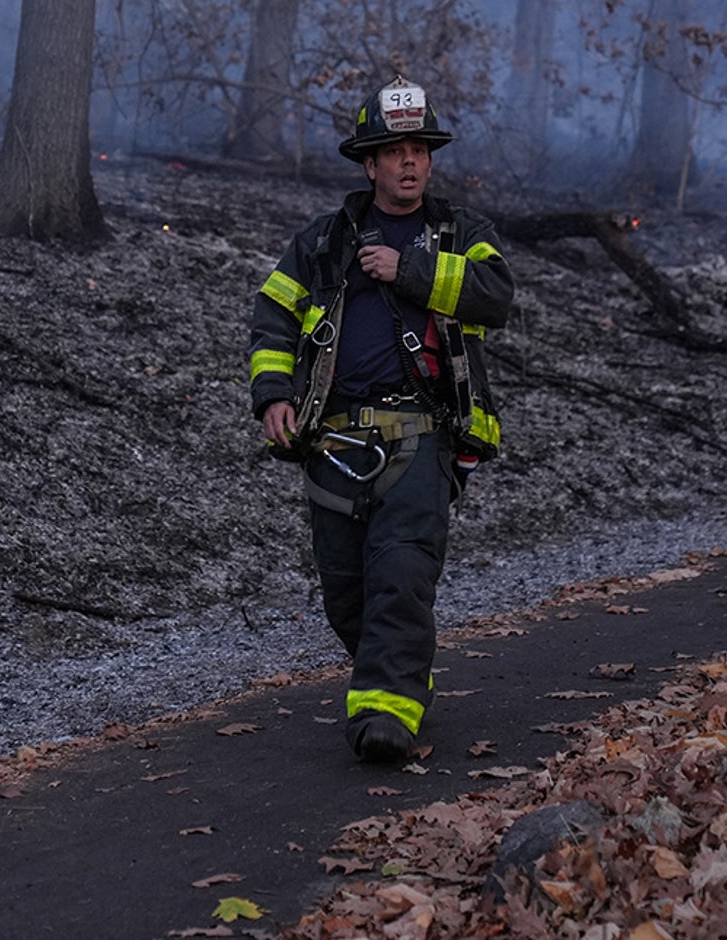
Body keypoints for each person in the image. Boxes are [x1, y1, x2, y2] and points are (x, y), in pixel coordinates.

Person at [248, 76, 514, 763]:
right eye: (394, 151)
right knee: (346, 591)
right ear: (368, 164)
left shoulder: (461, 234)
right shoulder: (325, 242)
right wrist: (274, 395)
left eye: (419, 150)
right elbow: (274, 314)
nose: (408, 162)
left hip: (422, 435)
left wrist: (413, 270)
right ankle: (398, 674)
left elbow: (495, 296)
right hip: (333, 440)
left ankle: (386, 720)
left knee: (401, 573)